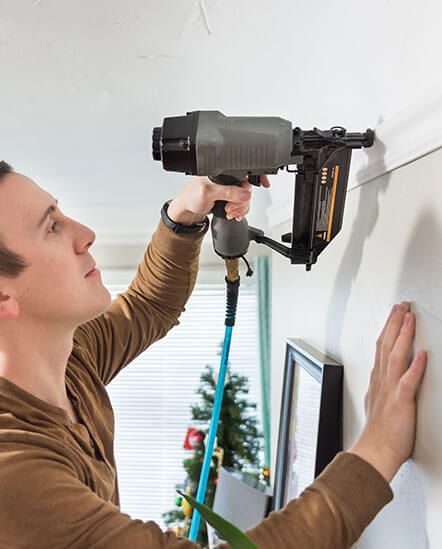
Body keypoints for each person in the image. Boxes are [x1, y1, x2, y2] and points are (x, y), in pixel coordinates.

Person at [0, 160, 427, 548]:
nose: (84, 234)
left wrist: (185, 212)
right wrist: (379, 449)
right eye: (51, 227)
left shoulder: (72, 362)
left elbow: (149, 306)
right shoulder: (13, 475)